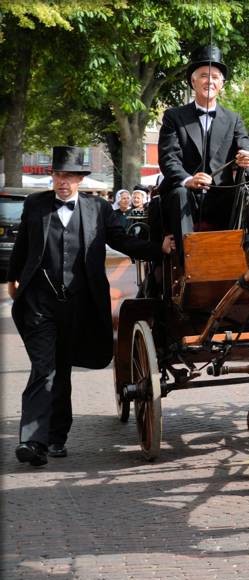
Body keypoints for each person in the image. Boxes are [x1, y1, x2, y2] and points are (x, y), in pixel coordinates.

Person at [7, 147, 170, 467]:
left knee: (61, 369)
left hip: (78, 306)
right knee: (44, 368)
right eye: (57, 175)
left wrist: (159, 249)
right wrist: (13, 278)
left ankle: (55, 437)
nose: (62, 182)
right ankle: (32, 441)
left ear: (81, 179)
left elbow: (123, 242)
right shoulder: (35, 205)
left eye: (68, 176)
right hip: (40, 303)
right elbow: (23, 246)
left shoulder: (98, 209)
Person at [158, 44, 249, 255]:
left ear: (222, 83)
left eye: (215, 77)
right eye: (203, 75)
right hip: (184, 196)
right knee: (180, 193)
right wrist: (188, 180)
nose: (209, 81)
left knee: (245, 198)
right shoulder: (173, 116)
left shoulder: (233, 119)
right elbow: (168, 158)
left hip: (221, 198)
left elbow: (246, 147)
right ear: (193, 81)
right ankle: (189, 265)